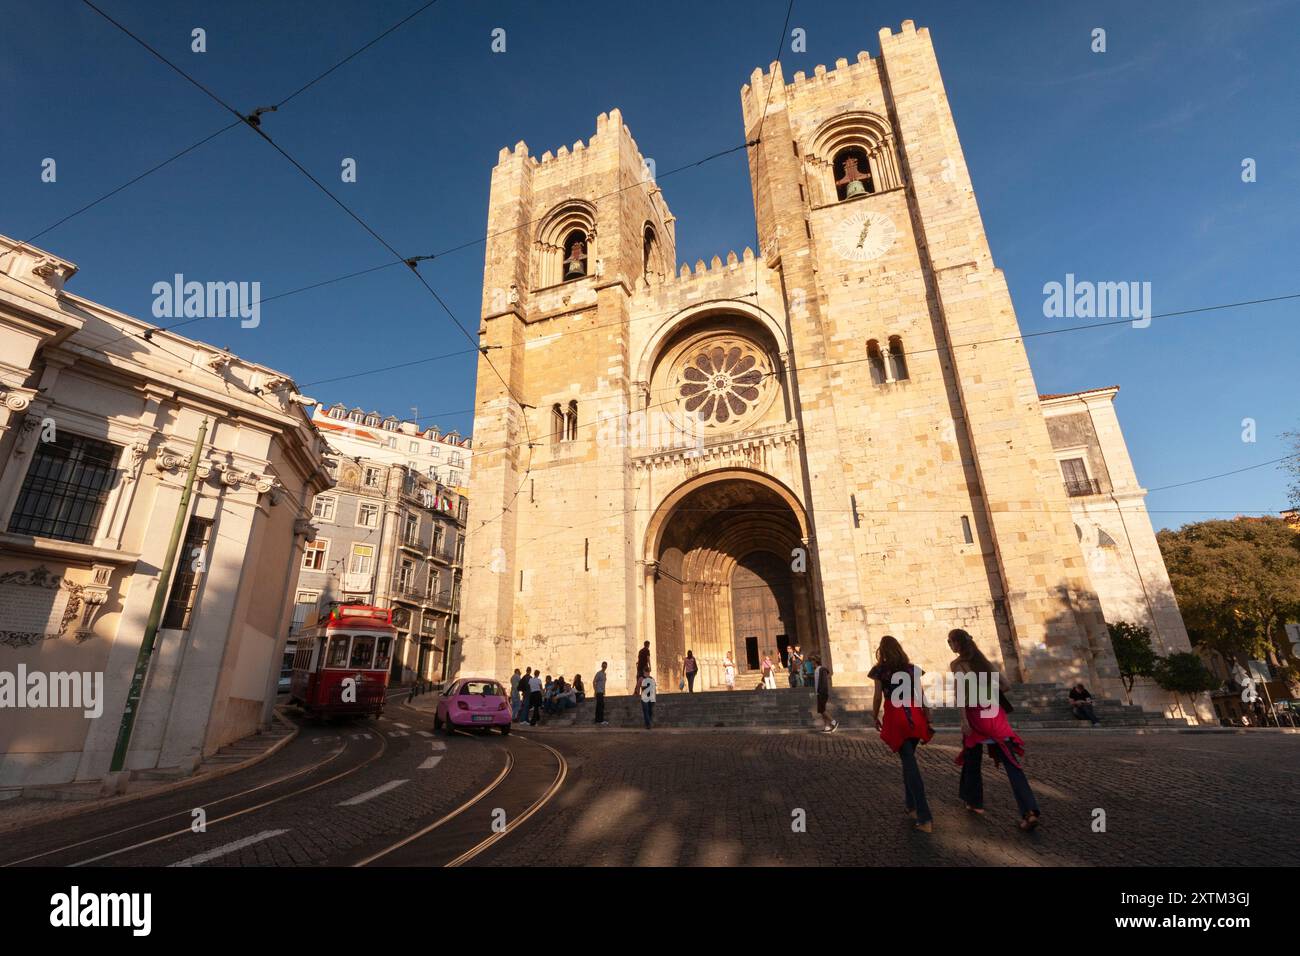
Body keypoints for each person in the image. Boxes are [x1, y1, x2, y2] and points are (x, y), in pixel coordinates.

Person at [948, 628, 1040, 831]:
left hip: (976, 718)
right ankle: (1029, 812)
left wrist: (964, 721)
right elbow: (1006, 685)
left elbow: (961, 695)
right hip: (996, 716)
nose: (950, 645)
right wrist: (987, 691)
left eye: (950, 642)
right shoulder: (984, 662)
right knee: (1012, 765)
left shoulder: (958, 665)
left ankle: (974, 802)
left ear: (957, 643)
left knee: (972, 759)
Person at [869, 635, 934, 832]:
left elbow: (877, 696)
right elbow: (921, 695)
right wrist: (928, 717)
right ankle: (911, 804)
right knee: (908, 759)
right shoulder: (912, 669)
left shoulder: (880, 670)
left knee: (909, 763)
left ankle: (924, 817)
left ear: (882, 650)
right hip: (914, 716)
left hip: (896, 717)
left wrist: (874, 716)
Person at [814, 656, 838, 732]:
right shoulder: (817, 670)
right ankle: (827, 726)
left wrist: (821, 692)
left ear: (815, 662)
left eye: (812, 661)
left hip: (822, 693)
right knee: (821, 710)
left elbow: (823, 683)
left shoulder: (821, 670)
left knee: (822, 710)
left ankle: (833, 722)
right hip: (819, 693)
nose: (812, 663)